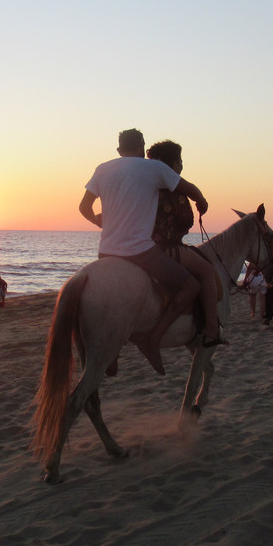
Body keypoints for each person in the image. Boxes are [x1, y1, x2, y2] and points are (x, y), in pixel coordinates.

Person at [79, 128, 210, 374]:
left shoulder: (102, 169)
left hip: (105, 253)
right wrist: (201, 201)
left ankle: (113, 351)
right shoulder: (154, 168)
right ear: (142, 147)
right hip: (141, 252)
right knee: (191, 286)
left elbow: (84, 207)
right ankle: (153, 338)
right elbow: (190, 189)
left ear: (119, 150)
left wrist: (98, 221)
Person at [146, 140, 224, 345]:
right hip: (166, 247)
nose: (181, 165)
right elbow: (185, 216)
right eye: (180, 161)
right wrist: (201, 205)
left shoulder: (144, 185)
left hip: (137, 245)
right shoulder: (173, 186)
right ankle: (211, 327)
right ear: (173, 163)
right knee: (207, 272)